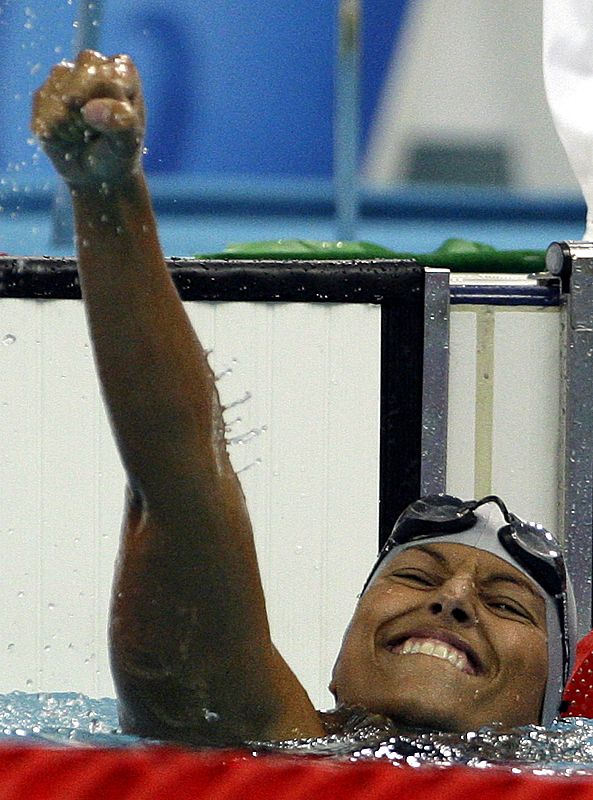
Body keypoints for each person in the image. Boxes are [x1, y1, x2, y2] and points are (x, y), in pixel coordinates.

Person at [31, 51, 576, 746]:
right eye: (413, 578)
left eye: (506, 605)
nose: (452, 600)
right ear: (340, 662)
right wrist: (108, 197)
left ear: (549, 712)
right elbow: (181, 484)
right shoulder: (262, 736)